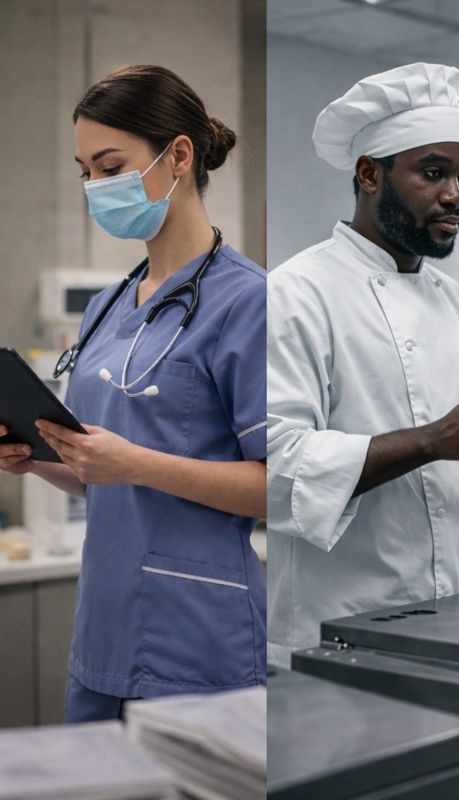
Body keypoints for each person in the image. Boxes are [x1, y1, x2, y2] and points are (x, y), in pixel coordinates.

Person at [0, 65, 266, 721]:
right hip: (104, 633)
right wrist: (38, 458)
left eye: (110, 165)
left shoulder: (250, 302)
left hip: (198, 639)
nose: (95, 187)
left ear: (179, 155)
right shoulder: (107, 307)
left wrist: (132, 463)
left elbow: (282, 486)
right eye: (85, 170)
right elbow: (104, 475)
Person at [267, 62, 459, 666]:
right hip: (338, 634)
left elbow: (446, 474)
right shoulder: (295, 292)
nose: (456, 196)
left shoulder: (452, 299)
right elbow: (272, 470)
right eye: (434, 173)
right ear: (370, 174)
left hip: (458, 619)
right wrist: (430, 440)